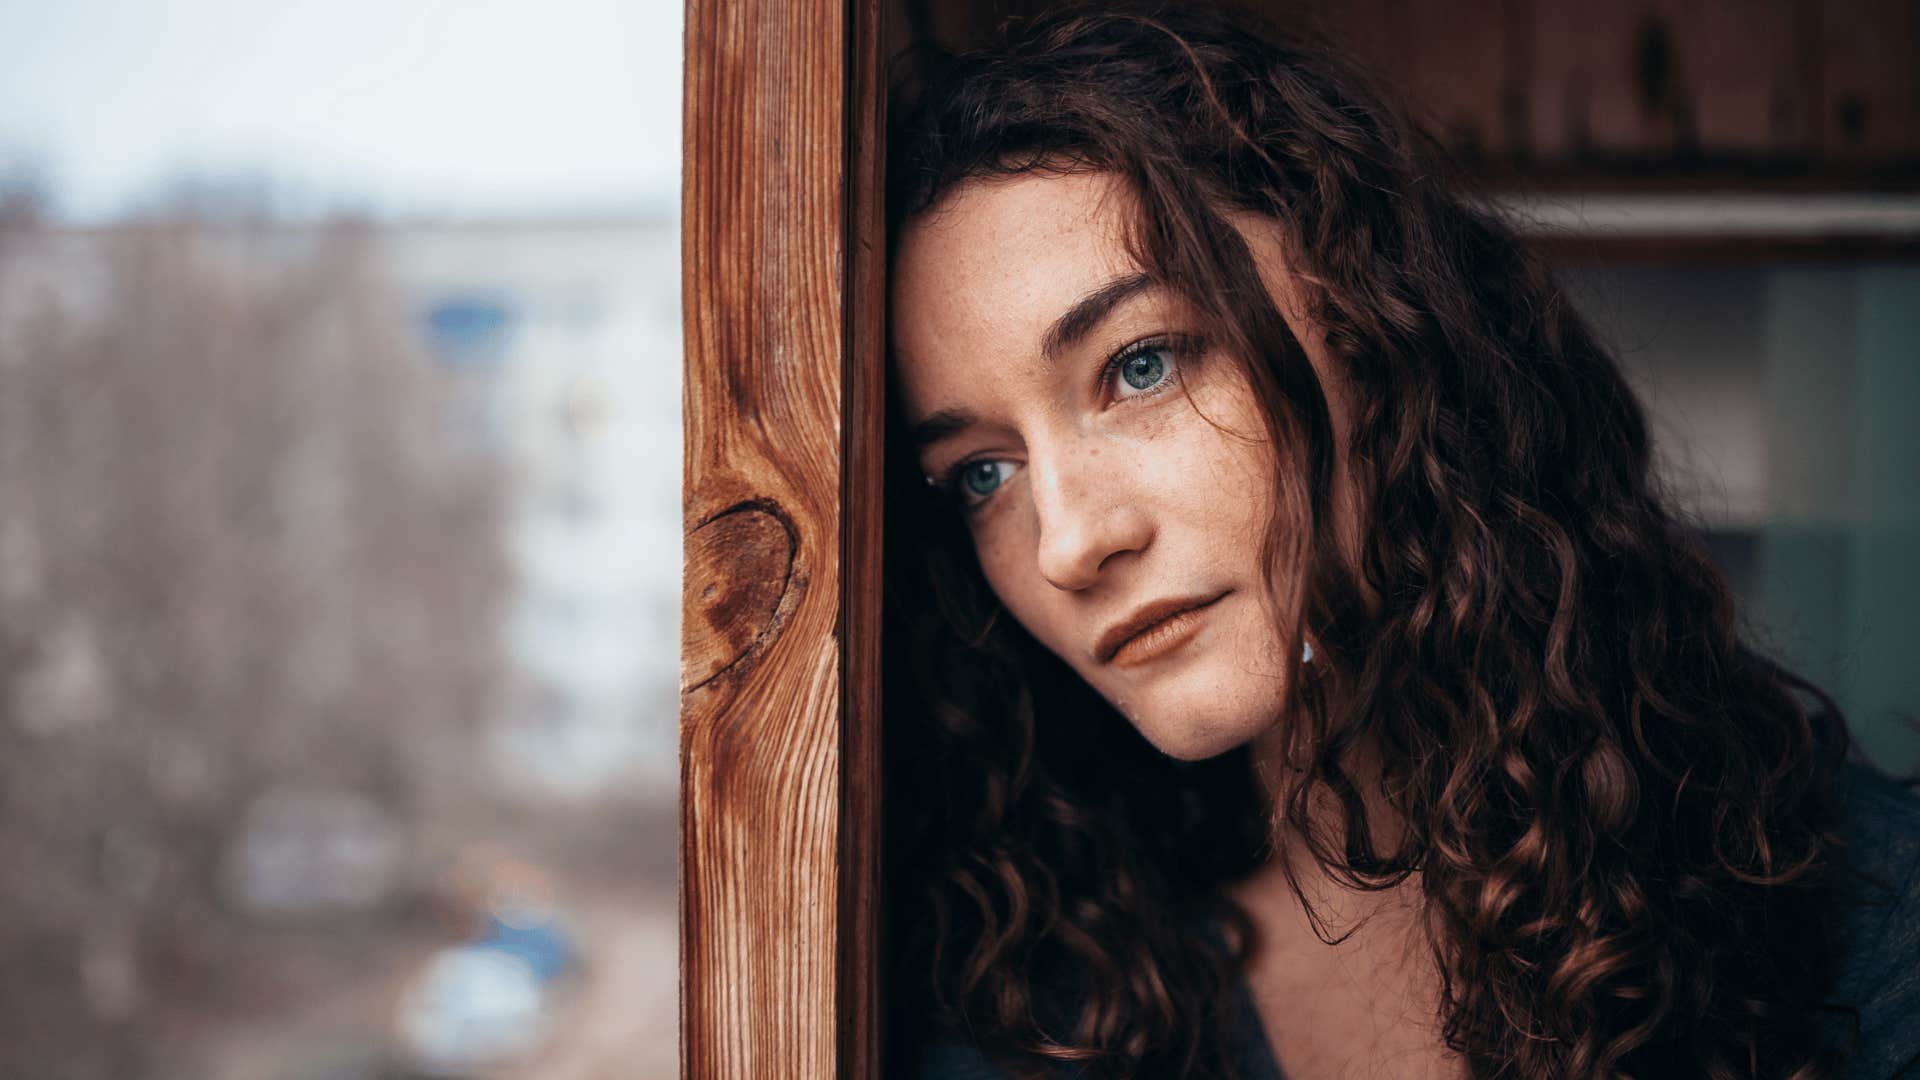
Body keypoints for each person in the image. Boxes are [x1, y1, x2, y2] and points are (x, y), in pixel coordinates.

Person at [878, 4, 1920, 1079]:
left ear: (1369, 328)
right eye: (981, 474)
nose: (1067, 542)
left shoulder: (1846, 915)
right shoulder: (1031, 1005)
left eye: (1141, 364)